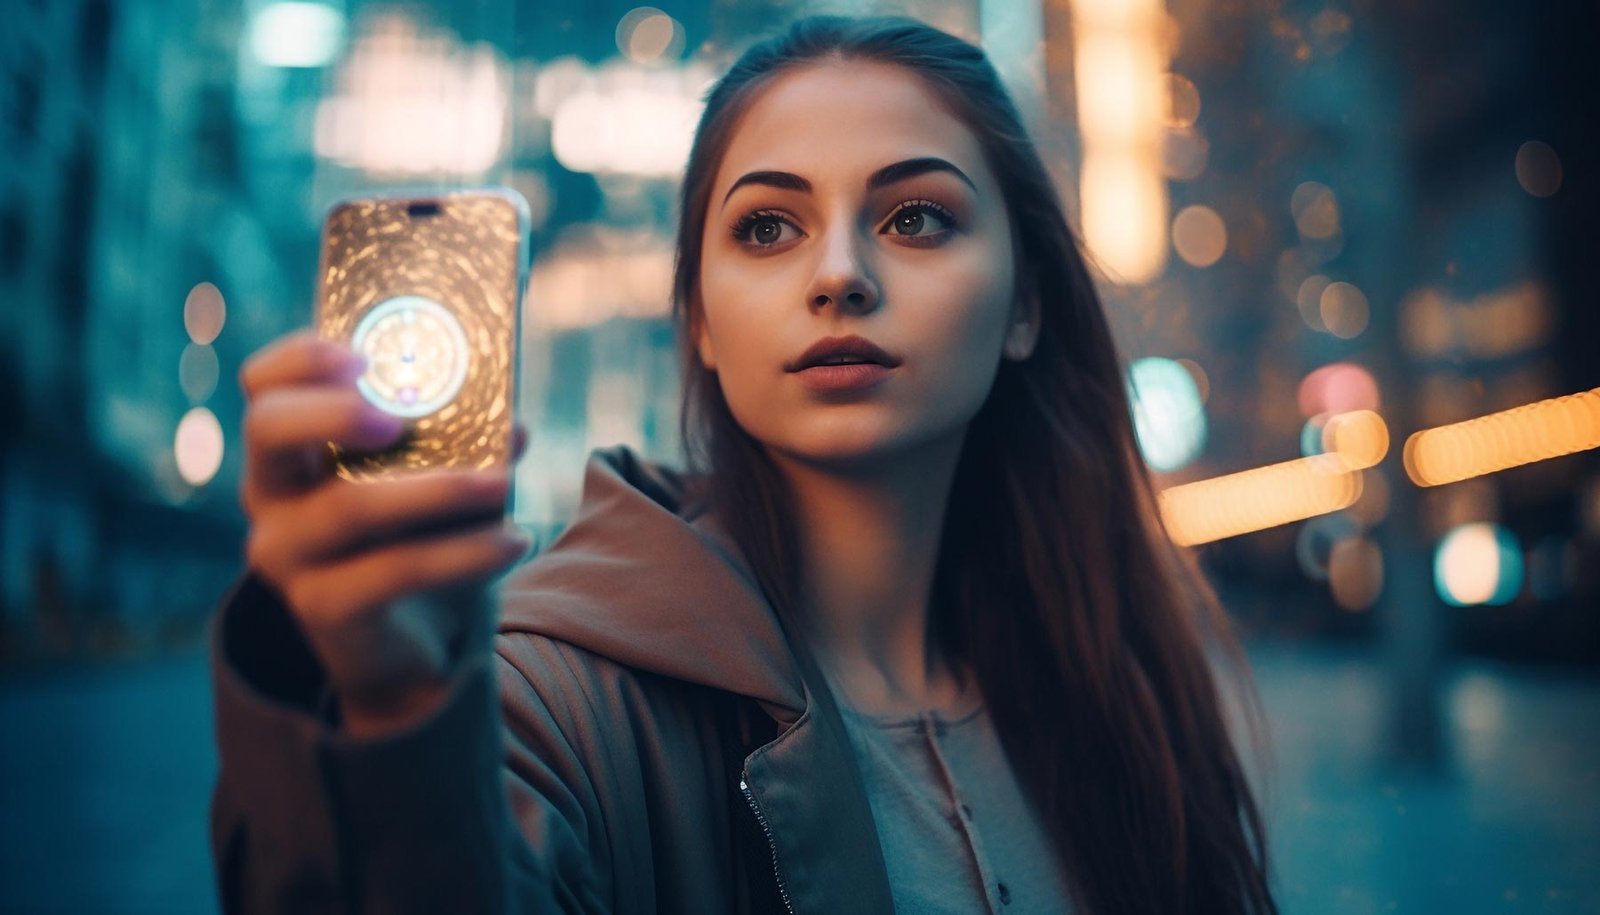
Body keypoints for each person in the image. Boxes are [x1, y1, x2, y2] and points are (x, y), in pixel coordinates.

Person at [212, 14, 1279, 915]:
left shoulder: (1120, 684)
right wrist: (398, 716)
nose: (839, 276)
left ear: (1026, 306)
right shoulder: (556, 699)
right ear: (703, 326)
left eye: (916, 217)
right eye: (767, 228)